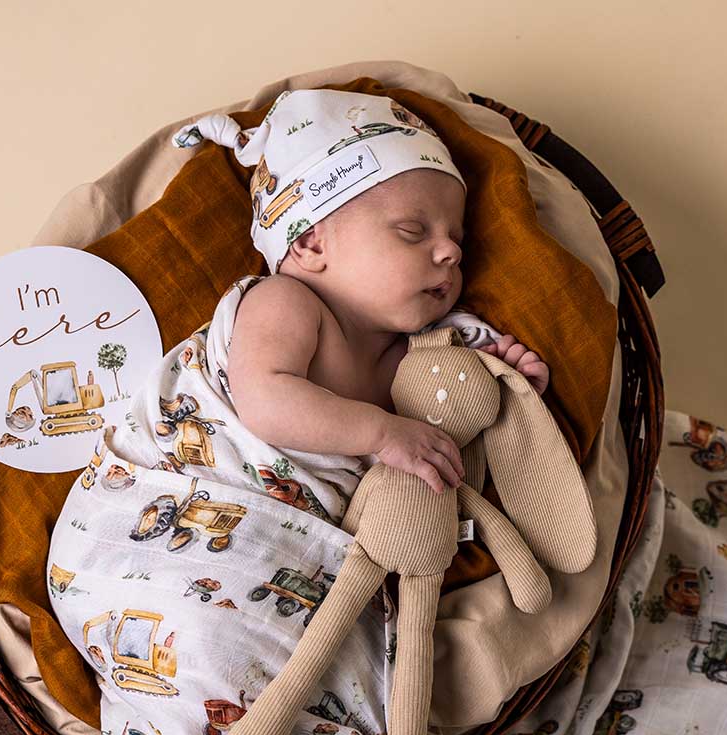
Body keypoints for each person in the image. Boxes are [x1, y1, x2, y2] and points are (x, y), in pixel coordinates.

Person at [172, 88, 550, 496]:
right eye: (413, 232)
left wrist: (497, 375)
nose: (452, 252)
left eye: (456, 237)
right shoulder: (284, 301)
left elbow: (440, 419)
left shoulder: (403, 354)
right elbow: (265, 402)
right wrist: (382, 434)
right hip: (182, 480)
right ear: (310, 244)